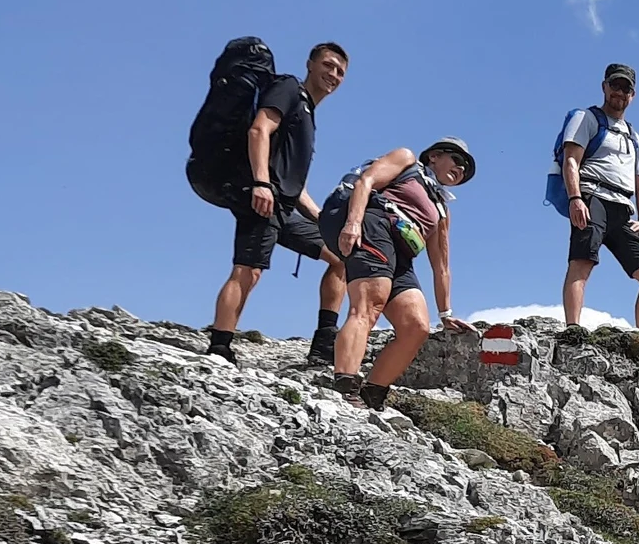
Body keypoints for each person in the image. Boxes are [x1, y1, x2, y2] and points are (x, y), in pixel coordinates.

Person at [188, 41, 348, 365]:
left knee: (342, 256)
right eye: (328, 65)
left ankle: (323, 347)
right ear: (310, 64)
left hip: (282, 204)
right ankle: (220, 347)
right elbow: (259, 130)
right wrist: (261, 183)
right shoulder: (288, 87)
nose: (333, 74)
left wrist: (320, 218)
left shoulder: (307, 113)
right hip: (260, 195)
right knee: (249, 269)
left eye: (340, 71)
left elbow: (293, 181)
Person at [320, 140, 476, 411]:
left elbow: (441, 266)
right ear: (434, 157)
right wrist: (353, 223)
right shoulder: (407, 160)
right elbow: (366, 181)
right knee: (369, 306)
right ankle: (345, 387)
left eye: (465, 169)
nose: (460, 168)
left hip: (402, 255)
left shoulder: (441, 209)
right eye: (456, 159)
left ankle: (372, 394)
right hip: (375, 226)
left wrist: (446, 313)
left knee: (416, 326)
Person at [560, 64, 639, 333]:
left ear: (633, 95)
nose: (619, 92)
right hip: (592, 196)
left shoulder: (633, 136)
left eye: (626, 88)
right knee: (582, 262)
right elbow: (571, 159)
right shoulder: (587, 118)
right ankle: (573, 329)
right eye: (615, 85)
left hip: (622, 209)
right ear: (604, 86)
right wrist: (575, 198)